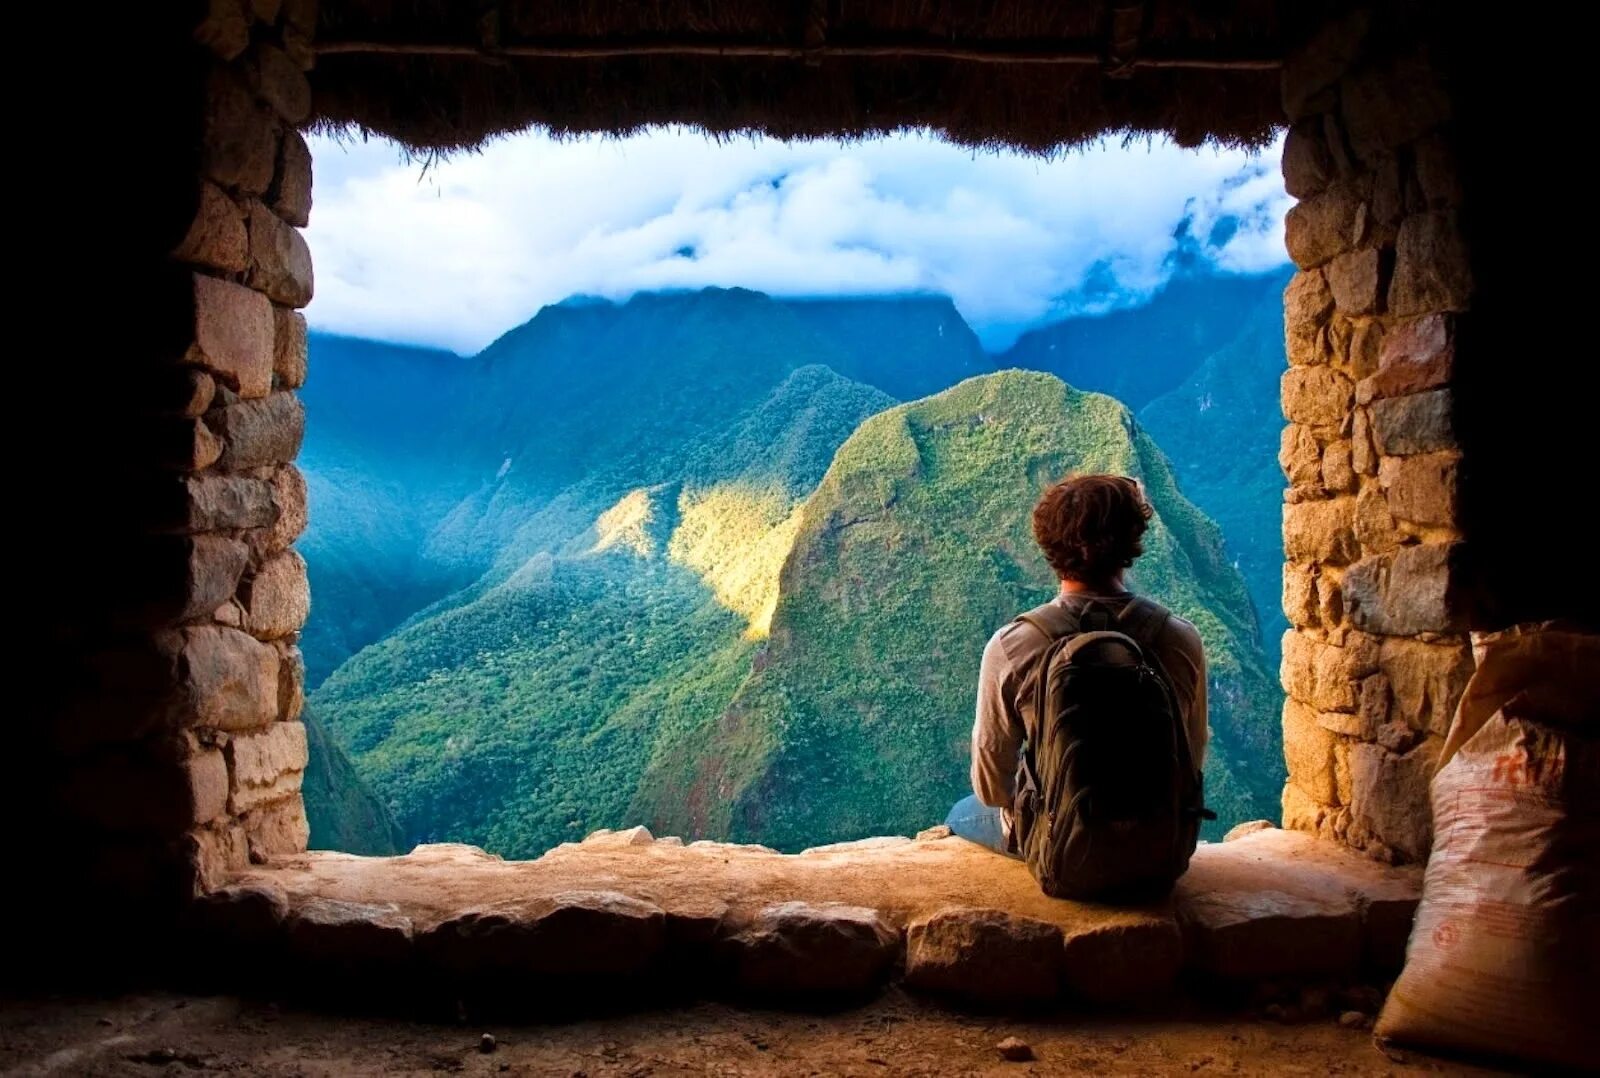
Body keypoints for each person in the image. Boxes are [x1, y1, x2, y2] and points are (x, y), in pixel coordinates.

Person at [946, 473, 1207, 858]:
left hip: (1062, 850)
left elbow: (992, 787)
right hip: (1158, 848)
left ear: (1047, 546)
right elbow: (1193, 756)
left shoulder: (1013, 645)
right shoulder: (1180, 638)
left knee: (961, 813)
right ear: (1132, 540)